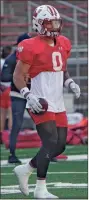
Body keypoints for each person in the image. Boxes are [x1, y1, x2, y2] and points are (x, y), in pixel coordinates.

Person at [13, 5, 80, 199]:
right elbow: (18, 76)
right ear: (39, 24)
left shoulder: (64, 42)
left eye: (56, 22)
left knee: (59, 146)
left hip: (57, 99)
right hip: (40, 99)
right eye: (50, 22)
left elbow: (62, 69)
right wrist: (28, 95)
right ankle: (40, 188)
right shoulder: (30, 45)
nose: (54, 26)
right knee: (50, 141)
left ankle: (26, 168)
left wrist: (70, 82)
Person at [1, 33, 31, 163]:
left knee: (43, 123)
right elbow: (4, 77)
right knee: (16, 125)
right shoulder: (12, 59)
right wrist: (18, 76)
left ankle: (48, 152)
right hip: (18, 94)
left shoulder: (34, 57)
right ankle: (12, 154)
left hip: (33, 95)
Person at [0, 46, 12, 143]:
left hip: (1, 90)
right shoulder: (10, 61)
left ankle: (1, 136)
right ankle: (10, 135)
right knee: (10, 113)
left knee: (2, 114)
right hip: (10, 88)